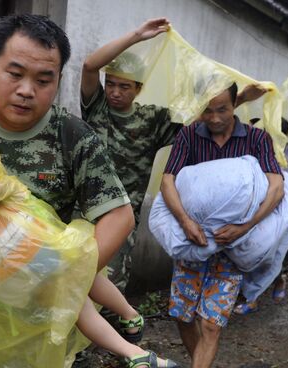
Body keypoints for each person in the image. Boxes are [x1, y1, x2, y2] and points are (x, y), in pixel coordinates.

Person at [0, 15, 175, 368]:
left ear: (57, 82)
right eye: (15, 74)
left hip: (29, 319)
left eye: (43, 80)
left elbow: (119, 216)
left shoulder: (73, 136)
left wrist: (61, 278)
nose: (27, 89)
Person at [80, 18, 266, 292]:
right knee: (75, 281)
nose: (115, 92)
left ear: (139, 89)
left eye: (125, 86)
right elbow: (89, 66)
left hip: (122, 218)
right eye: (112, 84)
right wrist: (137, 35)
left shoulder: (152, 120)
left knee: (111, 286)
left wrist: (238, 100)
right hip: (83, 212)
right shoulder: (96, 109)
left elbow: (200, 124)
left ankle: (111, 333)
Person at [159, 85, 284, 368]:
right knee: (182, 315)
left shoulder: (256, 139)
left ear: (235, 106)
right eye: (207, 110)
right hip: (193, 240)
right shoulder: (189, 136)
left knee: (211, 324)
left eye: (222, 109)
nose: (214, 118)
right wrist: (185, 221)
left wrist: (245, 226)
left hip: (233, 246)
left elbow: (276, 188)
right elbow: (167, 181)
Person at [233, 117, 288, 315]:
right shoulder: (258, 151)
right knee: (255, 252)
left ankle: (253, 296)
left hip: (281, 214)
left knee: (270, 255)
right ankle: (256, 289)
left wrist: (285, 221)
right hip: (257, 210)